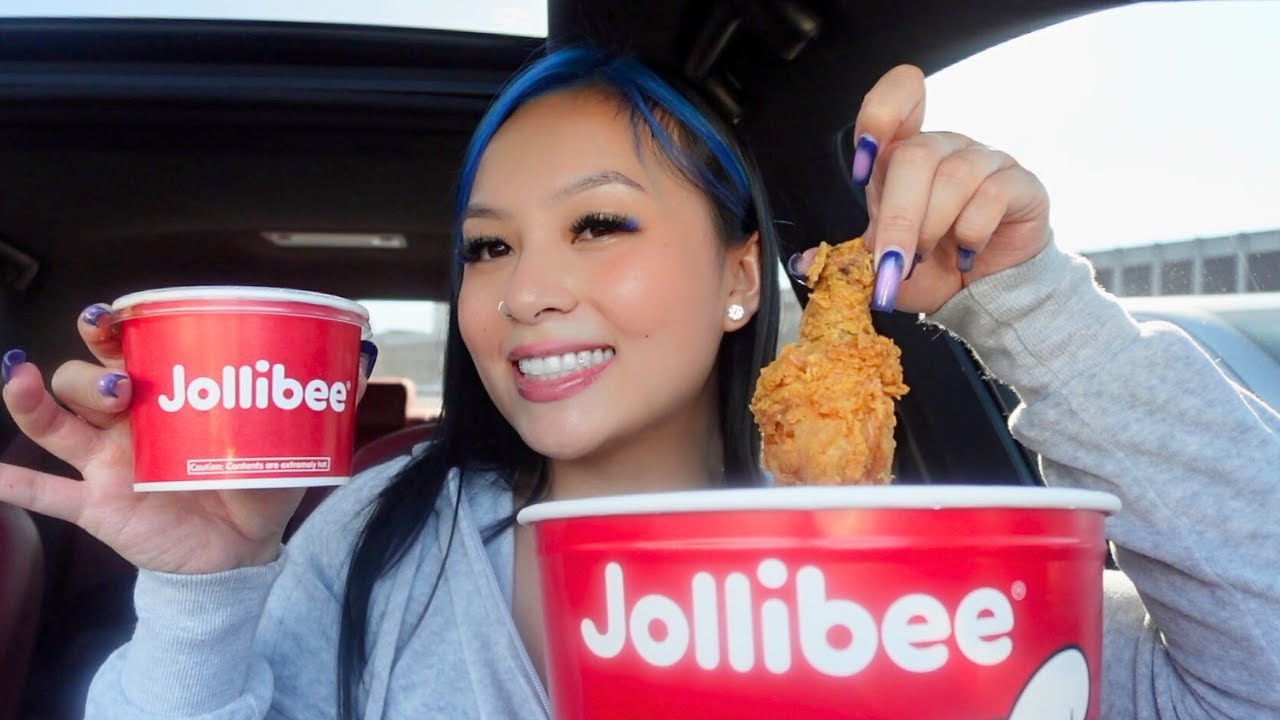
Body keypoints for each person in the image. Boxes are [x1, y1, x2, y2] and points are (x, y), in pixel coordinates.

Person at [1, 45, 1277, 720]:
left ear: (739, 278)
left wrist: (1034, 303)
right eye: (488, 246)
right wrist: (203, 596)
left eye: (598, 226)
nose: (525, 290)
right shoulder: (378, 550)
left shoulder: (912, 565)